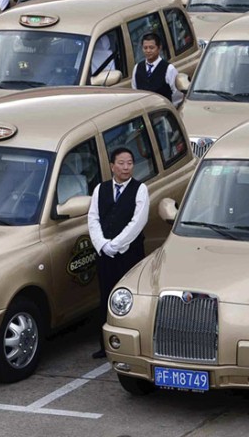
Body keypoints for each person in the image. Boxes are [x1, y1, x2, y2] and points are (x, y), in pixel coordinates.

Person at [87, 147, 149, 358]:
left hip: (129, 254)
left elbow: (137, 222)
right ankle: (105, 345)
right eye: (121, 163)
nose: (126, 167)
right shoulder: (100, 189)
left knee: (129, 298)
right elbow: (93, 218)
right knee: (105, 296)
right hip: (105, 254)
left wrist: (118, 244)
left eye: (130, 163)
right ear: (112, 166)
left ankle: (131, 345)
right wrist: (102, 244)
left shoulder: (140, 189)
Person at [132, 32, 181, 104]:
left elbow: (177, 93)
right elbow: (135, 91)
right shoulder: (137, 68)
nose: (148, 51)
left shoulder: (169, 69)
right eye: (145, 48)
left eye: (151, 48)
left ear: (159, 48)